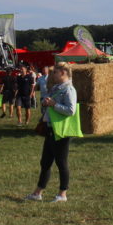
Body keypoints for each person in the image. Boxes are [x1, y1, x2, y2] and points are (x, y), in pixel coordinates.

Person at [24, 63, 81, 203]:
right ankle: (38, 193)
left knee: (61, 162)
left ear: (63, 72)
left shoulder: (69, 89)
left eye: (55, 72)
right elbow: (49, 101)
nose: (52, 75)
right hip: (51, 128)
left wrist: (54, 105)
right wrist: (46, 102)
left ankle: (62, 194)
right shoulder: (56, 88)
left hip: (61, 130)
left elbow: (71, 110)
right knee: (45, 162)